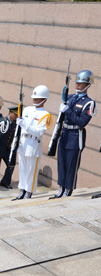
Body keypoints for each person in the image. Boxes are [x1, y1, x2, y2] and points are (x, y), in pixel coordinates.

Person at [50, 70, 96, 199]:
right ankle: (60, 189)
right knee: (61, 163)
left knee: (71, 165)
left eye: (80, 84)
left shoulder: (89, 103)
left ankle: (68, 190)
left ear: (88, 85)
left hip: (75, 136)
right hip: (64, 135)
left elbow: (82, 122)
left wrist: (68, 111)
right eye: (76, 83)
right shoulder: (69, 98)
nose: (77, 85)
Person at [13, 85, 53, 200]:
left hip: (33, 143)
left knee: (31, 170)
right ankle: (22, 190)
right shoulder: (27, 109)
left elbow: (39, 131)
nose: (34, 100)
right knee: (22, 168)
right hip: (23, 142)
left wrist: (24, 124)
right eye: (34, 98)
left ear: (44, 100)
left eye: (37, 98)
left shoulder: (45, 115)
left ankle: (29, 192)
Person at [0, 107, 18, 189]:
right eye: (15, 114)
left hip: (7, 148)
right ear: (10, 113)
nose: (17, 116)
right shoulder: (3, 121)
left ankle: (5, 182)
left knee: (11, 165)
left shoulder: (15, 123)